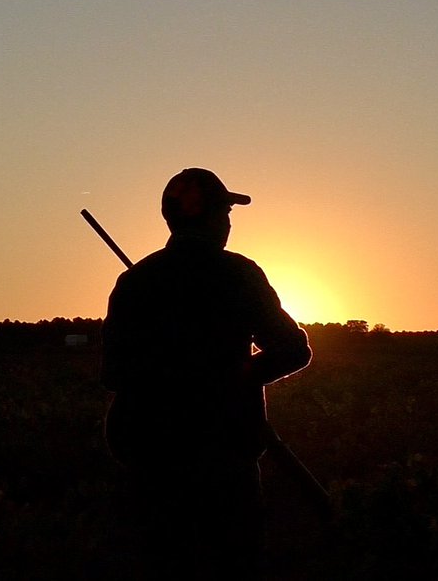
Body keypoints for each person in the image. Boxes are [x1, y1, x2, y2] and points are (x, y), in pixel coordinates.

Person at [101, 167, 312, 580]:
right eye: (226, 213)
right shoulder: (237, 274)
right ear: (214, 218)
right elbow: (292, 350)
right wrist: (238, 377)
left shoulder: (134, 282)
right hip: (224, 459)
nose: (230, 223)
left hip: (150, 461)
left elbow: (112, 374)